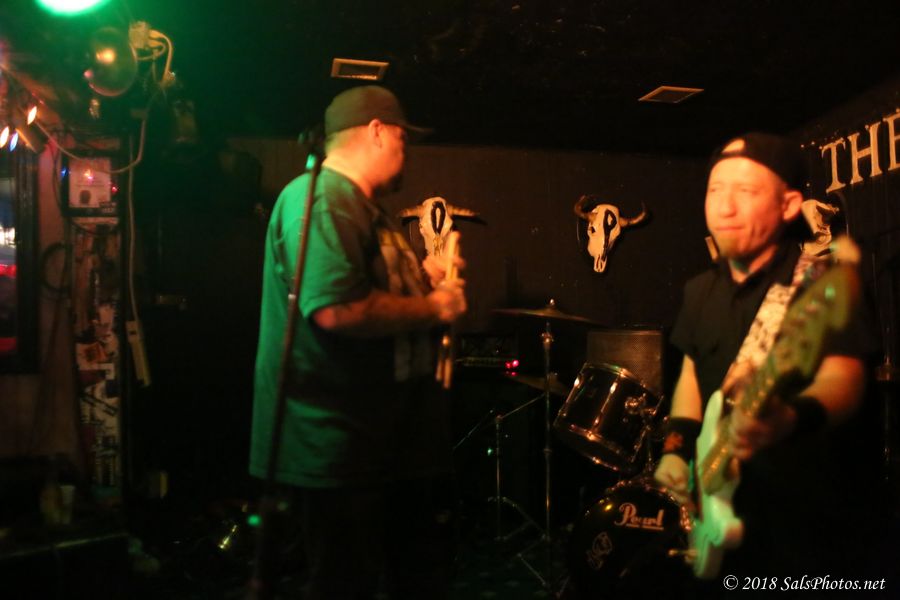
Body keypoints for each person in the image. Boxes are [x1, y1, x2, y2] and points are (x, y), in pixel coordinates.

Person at [249, 85, 467, 599]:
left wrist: (424, 280)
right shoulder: (323, 199)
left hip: (380, 447)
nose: (406, 152)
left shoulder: (364, 208)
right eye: (403, 139)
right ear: (376, 131)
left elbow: (370, 294)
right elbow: (336, 309)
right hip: (339, 451)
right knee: (347, 585)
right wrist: (436, 307)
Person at [654, 132, 883, 583]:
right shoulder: (698, 292)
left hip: (811, 532)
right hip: (724, 522)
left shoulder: (825, 285)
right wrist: (676, 453)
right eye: (715, 190)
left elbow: (845, 379)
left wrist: (791, 418)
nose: (724, 207)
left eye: (746, 191)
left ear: (789, 205)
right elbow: (692, 381)